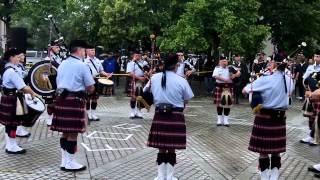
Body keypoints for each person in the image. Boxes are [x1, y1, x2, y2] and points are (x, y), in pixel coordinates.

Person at [242, 54, 294, 180]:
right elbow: (290, 93)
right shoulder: (289, 79)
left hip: (265, 116)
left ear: (273, 64)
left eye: (270, 63)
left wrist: (256, 89)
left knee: (263, 151)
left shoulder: (265, 79)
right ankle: (275, 176)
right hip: (280, 117)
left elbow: (245, 90)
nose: (268, 64)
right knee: (276, 150)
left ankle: (265, 177)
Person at [145, 54, 194, 180]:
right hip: (176, 116)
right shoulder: (181, 80)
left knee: (161, 147)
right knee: (171, 148)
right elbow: (187, 99)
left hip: (159, 115)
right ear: (176, 65)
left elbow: (146, 92)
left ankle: (161, 177)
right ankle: (170, 177)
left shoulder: (154, 78)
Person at [50, 40, 95, 171]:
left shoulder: (63, 63)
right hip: (74, 100)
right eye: (85, 50)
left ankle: (64, 161)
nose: (85, 53)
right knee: (73, 133)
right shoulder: (82, 66)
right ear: (80, 50)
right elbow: (90, 87)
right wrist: (90, 89)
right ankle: (70, 163)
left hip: (61, 99)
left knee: (65, 132)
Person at [0, 48, 38, 154]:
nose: (19, 58)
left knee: (10, 123)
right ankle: (11, 146)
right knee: (12, 123)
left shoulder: (6, 69)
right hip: (12, 99)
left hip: (8, 97)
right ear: (11, 58)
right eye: (17, 57)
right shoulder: (12, 71)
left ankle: (10, 144)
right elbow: (23, 87)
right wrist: (33, 93)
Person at [85, 46, 112, 121]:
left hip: (96, 80)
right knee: (88, 98)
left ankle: (93, 114)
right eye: (91, 50)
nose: (93, 52)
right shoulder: (84, 60)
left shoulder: (97, 60)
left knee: (95, 98)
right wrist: (90, 76)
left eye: (94, 50)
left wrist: (107, 74)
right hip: (88, 81)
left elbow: (101, 70)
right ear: (87, 51)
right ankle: (88, 114)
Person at [212, 55, 240, 126]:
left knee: (228, 104)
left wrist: (235, 75)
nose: (225, 62)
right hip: (220, 87)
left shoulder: (231, 67)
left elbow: (239, 72)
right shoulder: (217, 68)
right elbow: (215, 76)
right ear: (220, 62)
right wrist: (225, 80)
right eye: (223, 61)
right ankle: (219, 120)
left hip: (229, 88)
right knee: (219, 104)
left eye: (226, 61)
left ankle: (226, 120)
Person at [300, 50, 320, 146]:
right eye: (315, 56)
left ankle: (316, 137)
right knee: (310, 116)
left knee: (318, 117)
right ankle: (310, 135)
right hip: (310, 94)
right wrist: (307, 90)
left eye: (318, 56)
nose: (316, 58)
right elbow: (304, 80)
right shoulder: (310, 67)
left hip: (318, 96)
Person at [45, 41, 63, 126]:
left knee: (57, 100)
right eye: (56, 47)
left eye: (59, 47)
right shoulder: (48, 59)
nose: (58, 49)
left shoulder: (58, 58)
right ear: (51, 48)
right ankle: (49, 118)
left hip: (58, 81)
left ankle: (56, 117)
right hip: (50, 81)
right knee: (50, 101)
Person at [126, 51, 149, 118]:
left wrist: (146, 75)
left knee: (141, 97)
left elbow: (148, 70)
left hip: (142, 81)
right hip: (134, 80)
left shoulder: (144, 62)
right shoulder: (130, 63)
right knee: (133, 97)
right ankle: (133, 111)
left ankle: (139, 111)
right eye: (136, 55)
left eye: (139, 55)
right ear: (133, 55)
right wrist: (139, 78)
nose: (137, 56)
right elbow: (130, 73)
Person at [15, 50, 31, 137]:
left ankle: (20, 129)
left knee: (22, 111)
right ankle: (18, 130)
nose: (23, 57)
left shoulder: (21, 66)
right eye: (21, 55)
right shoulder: (16, 67)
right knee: (19, 112)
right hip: (18, 91)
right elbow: (21, 77)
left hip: (21, 91)